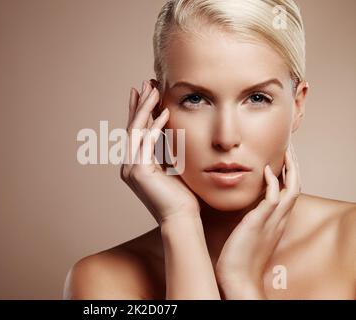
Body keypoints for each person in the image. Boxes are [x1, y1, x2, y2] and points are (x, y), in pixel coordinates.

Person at [63, 0, 355, 299]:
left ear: (298, 104)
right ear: (156, 108)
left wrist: (241, 282)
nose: (226, 138)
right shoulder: (102, 281)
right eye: (195, 99)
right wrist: (179, 222)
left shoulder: (350, 244)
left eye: (257, 98)